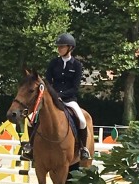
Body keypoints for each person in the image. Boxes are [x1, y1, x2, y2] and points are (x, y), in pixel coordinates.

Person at [23, 33, 90, 161]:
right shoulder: (54, 63)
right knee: (31, 118)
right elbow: (47, 82)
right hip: (52, 99)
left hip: (69, 100)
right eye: (58, 47)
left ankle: (83, 148)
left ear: (70, 48)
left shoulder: (77, 65)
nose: (59, 49)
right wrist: (53, 95)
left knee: (81, 120)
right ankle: (30, 147)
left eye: (62, 47)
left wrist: (61, 96)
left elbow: (75, 87)